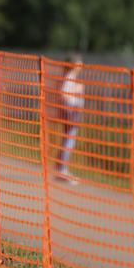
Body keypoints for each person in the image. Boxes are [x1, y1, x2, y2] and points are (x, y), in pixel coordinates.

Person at [56, 55, 85, 184]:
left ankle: (61, 168)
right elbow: (63, 94)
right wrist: (77, 89)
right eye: (79, 63)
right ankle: (62, 169)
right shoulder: (69, 78)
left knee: (68, 140)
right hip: (70, 111)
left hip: (72, 111)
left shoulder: (71, 78)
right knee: (69, 140)